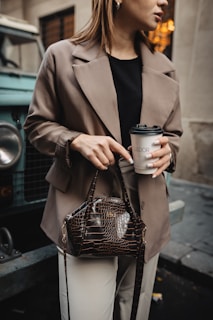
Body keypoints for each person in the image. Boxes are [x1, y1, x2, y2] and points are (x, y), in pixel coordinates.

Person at [24, 0, 183, 319]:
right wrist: (76, 140)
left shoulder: (164, 66)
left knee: (134, 312)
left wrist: (170, 151)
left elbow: (173, 135)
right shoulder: (62, 55)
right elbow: (37, 125)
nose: (164, 1)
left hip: (147, 213)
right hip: (85, 212)